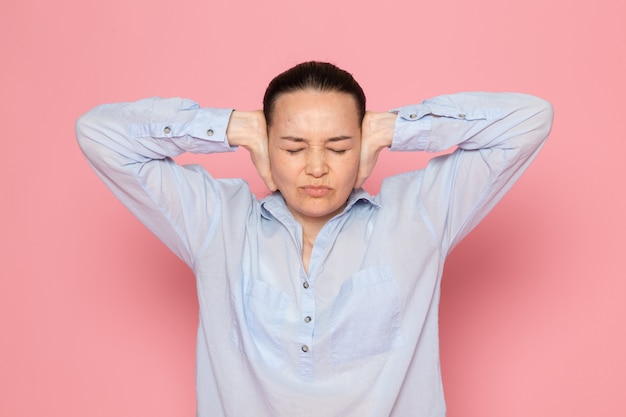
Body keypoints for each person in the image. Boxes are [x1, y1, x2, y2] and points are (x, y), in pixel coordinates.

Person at [76, 61, 553, 417]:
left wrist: (393, 127)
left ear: (362, 144)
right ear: (266, 145)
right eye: (293, 147)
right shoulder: (216, 221)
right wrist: (231, 126)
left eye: (340, 146)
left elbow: (530, 119)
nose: (317, 167)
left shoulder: (419, 213)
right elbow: (98, 133)